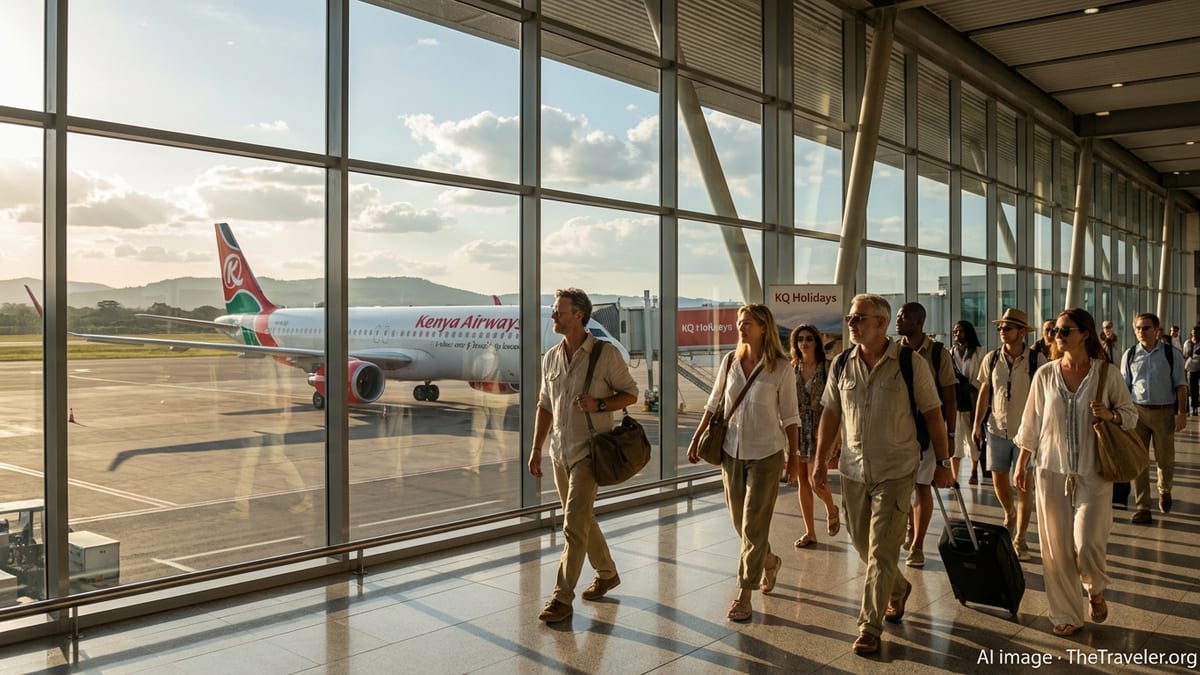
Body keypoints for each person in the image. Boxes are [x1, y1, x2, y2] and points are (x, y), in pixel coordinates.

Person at [812, 294, 952, 656]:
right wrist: (819, 460)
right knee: (861, 542)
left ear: (880, 323)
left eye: (858, 317)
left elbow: (934, 414)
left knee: (882, 551)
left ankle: (869, 626)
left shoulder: (910, 363)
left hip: (896, 470)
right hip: (854, 470)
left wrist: (943, 462)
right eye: (850, 317)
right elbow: (830, 413)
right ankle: (899, 589)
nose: (851, 323)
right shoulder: (841, 363)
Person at [1013, 308, 1137, 637]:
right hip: (1050, 469)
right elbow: (1032, 420)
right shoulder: (1045, 374)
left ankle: (1094, 589)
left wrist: (1109, 416)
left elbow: (1131, 415)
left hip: (1093, 472)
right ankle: (1065, 613)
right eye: (1055, 331)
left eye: (1065, 331)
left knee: (1088, 544)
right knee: (1054, 548)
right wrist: (1021, 461)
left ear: (1085, 334)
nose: (1057, 336)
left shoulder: (1106, 374)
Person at [530, 288, 639, 623]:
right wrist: (536, 449)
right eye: (554, 310)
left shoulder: (604, 354)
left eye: (558, 311)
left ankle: (562, 598)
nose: (552, 315)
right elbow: (545, 406)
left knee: (573, 524)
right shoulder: (551, 357)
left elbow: (631, 394)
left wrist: (601, 404)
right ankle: (607, 573)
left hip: (590, 451)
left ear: (578, 315)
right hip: (560, 451)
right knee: (582, 518)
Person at [687, 304, 798, 622]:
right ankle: (770, 560)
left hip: (767, 454)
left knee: (752, 525)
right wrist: (696, 440)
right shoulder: (730, 361)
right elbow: (714, 404)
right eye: (739, 322)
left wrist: (794, 457)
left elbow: (790, 416)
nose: (740, 326)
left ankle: (744, 594)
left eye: (747, 322)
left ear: (764, 328)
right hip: (731, 452)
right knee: (740, 523)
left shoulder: (781, 368)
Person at [973, 308, 1045, 561]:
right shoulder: (992, 359)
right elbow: (985, 390)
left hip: (1027, 434)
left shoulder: (1038, 361)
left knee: (1024, 484)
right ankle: (1009, 512)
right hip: (996, 428)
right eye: (1001, 327)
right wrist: (977, 423)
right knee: (999, 479)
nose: (1002, 331)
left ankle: (1021, 538)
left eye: (1008, 327)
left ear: (1022, 332)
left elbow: (1044, 399)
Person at [894, 302, 956, 569]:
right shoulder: (894, 351)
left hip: (928, 430)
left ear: (919, 322)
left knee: (921, 486)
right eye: (897, 315)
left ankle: (918, 544)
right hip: (899, 429)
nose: (898, 320)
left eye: (904, 316)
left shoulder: (938, 353)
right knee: (900, 486)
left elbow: (950, 397)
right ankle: (910, 527)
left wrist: (950, 434)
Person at [1120, 312, 1187, 524]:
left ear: (1157, 330)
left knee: (1164, 458)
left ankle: (1164, 489)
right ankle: (1142, 506)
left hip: (1164, 412)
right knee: (1139, 460)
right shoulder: (1130, 354)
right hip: (1137, 412)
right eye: (1138, 328)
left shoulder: (1171, 354)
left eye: (1146, 327)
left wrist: (1182, 413)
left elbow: (1181, 386)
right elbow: (1124, 387)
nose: (1141, 331)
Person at [788, 324, 839, 549]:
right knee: (803, 482)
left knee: (815, 479)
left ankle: (830, 507)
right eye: (800, 339)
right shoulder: (792, 369)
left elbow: (836, 405)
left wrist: (837, 436)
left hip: (821, 428)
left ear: (817, 342)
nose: (804, 343)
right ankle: (810, 531)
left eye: (809, 338)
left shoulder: (827, 368)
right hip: (798, 429)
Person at [951, 320, 984, 484]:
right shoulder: (951, 352)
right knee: (955, 438)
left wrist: (973, 386)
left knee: (973, 438)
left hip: (972, 399)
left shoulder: (979, 352)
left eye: (961, 331)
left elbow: (982, 376)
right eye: (955, 331)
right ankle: (954, 476)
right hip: (956, 400)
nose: (958, 334)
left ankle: (973, 470)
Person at [1184, 326, 1200, 416]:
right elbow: (1185, 354)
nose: (1194, 334)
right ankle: (1194, 408)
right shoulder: (1187, 343)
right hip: (1191, 368)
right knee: (1193, 389)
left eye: (1196, 332)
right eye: (1193, 332)